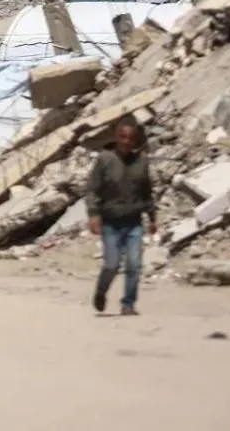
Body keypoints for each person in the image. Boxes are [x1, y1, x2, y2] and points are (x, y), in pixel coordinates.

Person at [86, 118, 156, 316]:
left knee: (134, 265)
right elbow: (92, 190)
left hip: (134, 221)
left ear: (135, 140)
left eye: (130, 138)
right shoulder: (104, 160)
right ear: (116, 138)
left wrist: (152, 218)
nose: (126, 141)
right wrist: (93, 215)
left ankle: (128, 304)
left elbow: (147, 192)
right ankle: (101, 291)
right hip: (111, 222)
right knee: (111, 264)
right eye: (122, 137)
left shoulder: (141, 162)